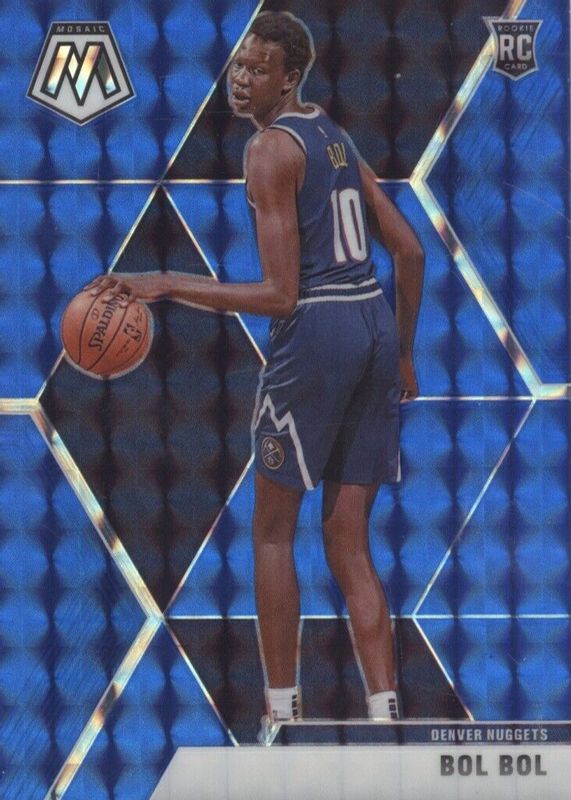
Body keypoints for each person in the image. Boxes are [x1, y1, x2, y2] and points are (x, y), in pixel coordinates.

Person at [87, 10, 423, 733]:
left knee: (272, 533)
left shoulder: (269, 150)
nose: (240, 80)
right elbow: (409, 250)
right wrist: (400, 351)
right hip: (370, 321)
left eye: (258, 69)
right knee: (349, 542)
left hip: (319, 335)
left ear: (289, 77)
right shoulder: (332, 133)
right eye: (239, 65)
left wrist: (166, 282)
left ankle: (281, 717)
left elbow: (280, 295)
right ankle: (386, 716)